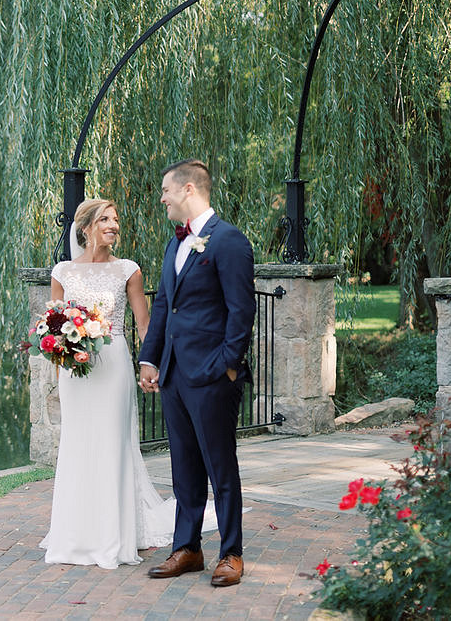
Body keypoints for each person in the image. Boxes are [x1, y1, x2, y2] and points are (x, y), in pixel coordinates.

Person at [138, 158, 255, 587]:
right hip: (173, 375)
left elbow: (242, 313)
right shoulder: (174, 244)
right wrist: (151, 360)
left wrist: (225, 366)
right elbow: (165, 307)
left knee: (220, 467)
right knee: (183, 466)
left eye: (166, 191)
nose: (162, 198)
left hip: (211, 376)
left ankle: (231, 553)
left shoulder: (229, 242)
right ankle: (187, 548)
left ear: (189, 189)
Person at [40, 198, 176, 569]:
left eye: (116, 219)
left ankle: (115, 536)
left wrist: (152, 364)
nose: (114, 225)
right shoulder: (63, 272)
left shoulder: (128, 270)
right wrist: (60, 358)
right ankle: (76, 533)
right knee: (78, 446)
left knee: (113, 444)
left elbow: (145, 324)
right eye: (105, 219)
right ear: (86, 228)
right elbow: (54, 324)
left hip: (113, 363)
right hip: (75, 371)